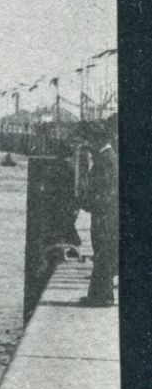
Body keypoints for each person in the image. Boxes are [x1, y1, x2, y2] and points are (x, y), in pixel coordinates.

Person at [83, 128, 119, 306]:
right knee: (102, 253)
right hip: (105, 214)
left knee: (103, 253)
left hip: (104, 215)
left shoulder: (105, 160)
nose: (89, 145)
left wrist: (89, 203)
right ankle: (97, 294)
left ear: (99, 140)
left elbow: (106, 192)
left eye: (92, 140)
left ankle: (102, 296)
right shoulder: (109, 157)